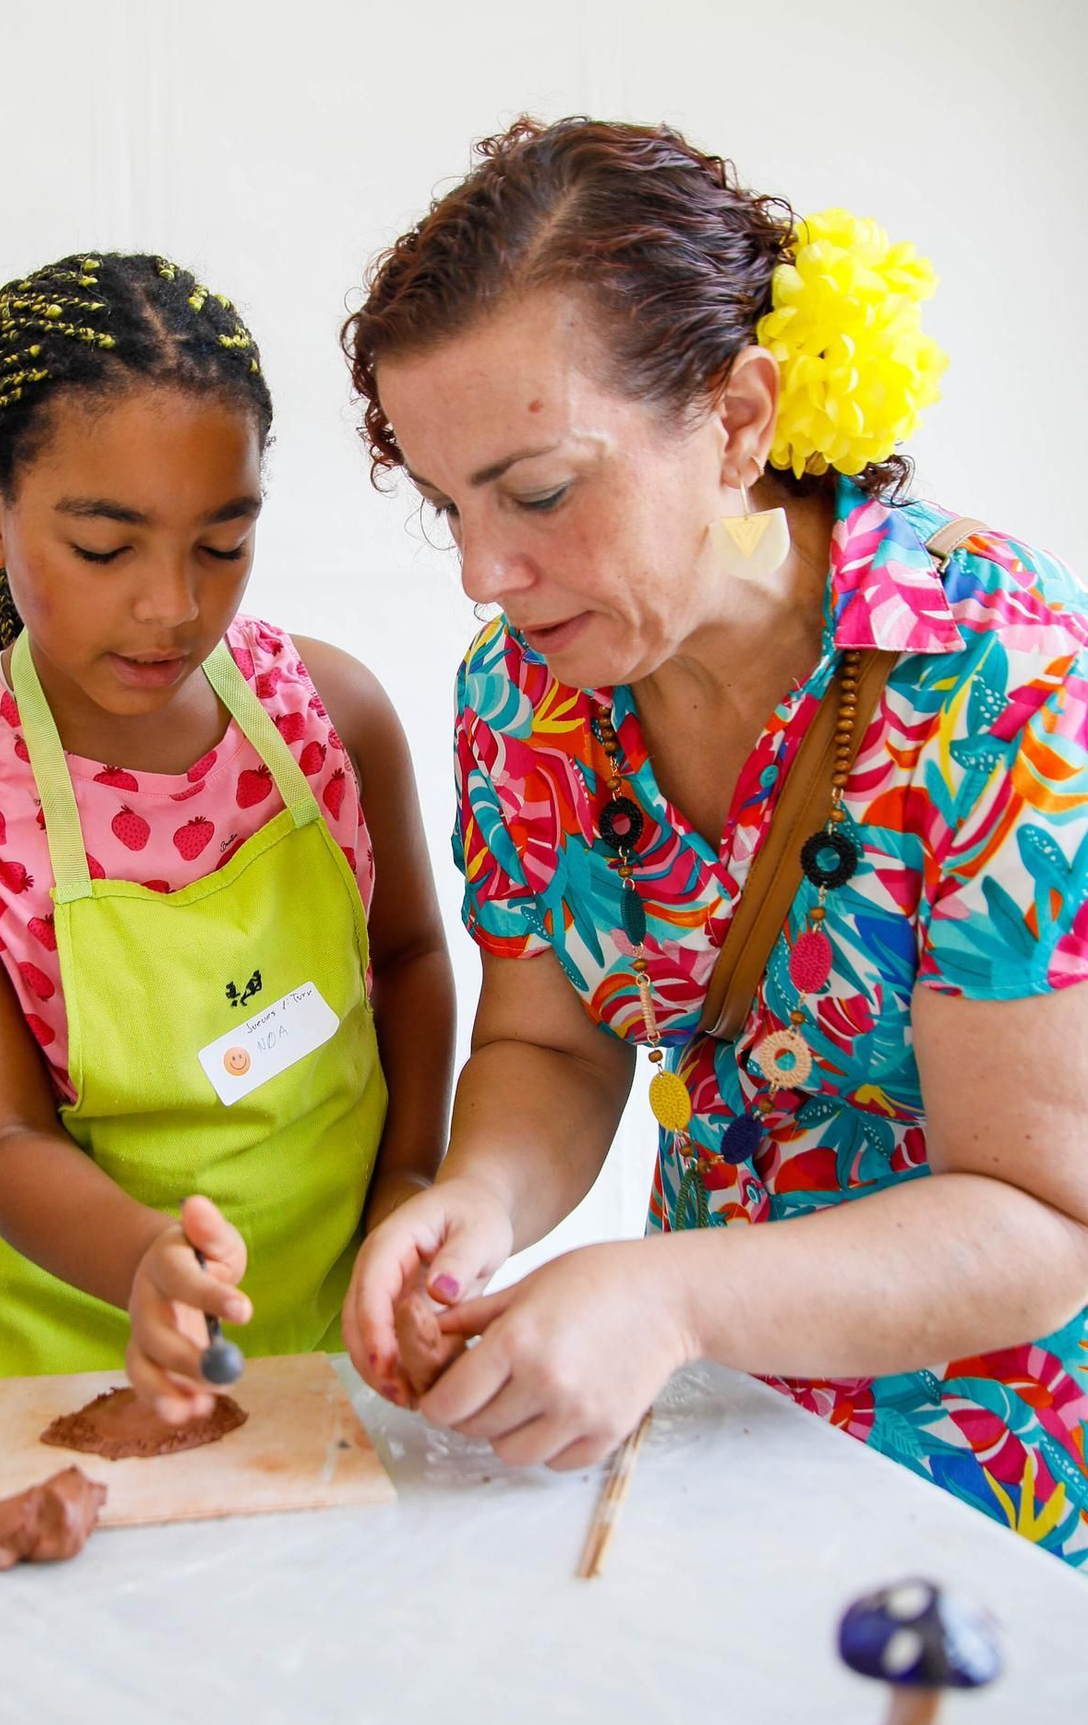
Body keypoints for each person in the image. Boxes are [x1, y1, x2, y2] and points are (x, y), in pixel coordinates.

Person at [342, 117, 1088, 1568]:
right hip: (717, 1445)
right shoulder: (525, 700)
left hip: (1000, 1494)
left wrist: (668, 1296)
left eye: (541, 491)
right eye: (450, 505)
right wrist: (477, 1201)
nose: (487, 573)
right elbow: (551, 1050)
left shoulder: (1003, 686)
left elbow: (1043, 1216)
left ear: (740, 418)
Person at [0, 253, 453, 1417]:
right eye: (104, 548)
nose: (171, 604)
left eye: (221, 544)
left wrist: (411, 1191)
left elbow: (413, 962)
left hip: (352, 1340)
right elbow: (5, 1137)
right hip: (76, 1369)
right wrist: (143, 1264)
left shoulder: (329, 716)